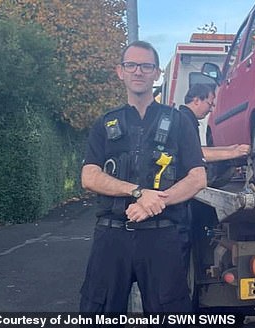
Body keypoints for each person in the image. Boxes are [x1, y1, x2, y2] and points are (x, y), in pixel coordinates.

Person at [80, 40, 207, 314]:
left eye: (146, 66)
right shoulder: (105, 123)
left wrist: (157, 201)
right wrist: (138, 192)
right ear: (120, 71)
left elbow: (197, 177)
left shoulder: (178, 121)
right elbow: (89, 176)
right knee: (97, 314)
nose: (138, 71)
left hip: (162, 237)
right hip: (111, 237)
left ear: (157, 73)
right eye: (131, 65)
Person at [179, 83, 250, 162]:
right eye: (210, 104)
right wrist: (234, 153)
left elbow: (198, 149)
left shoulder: (185, 117)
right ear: (196, 101)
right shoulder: (185, 121)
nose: (211, 110)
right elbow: (196, 154)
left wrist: (229, 149)